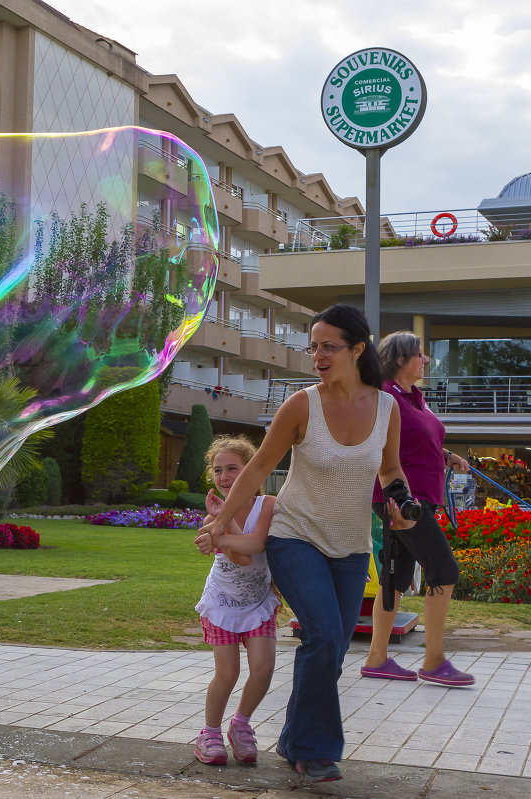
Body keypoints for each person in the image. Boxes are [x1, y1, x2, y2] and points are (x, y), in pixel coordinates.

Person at [196, 304, 416, 784]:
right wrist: (222, 524)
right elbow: (256, 470)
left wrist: (399, 501)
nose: (317, 354)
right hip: (294, 536)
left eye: (328, 346)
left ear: (357, 349)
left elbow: (390, 469)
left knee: (332, 651)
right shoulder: (301, 405)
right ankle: (316, 751)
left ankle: (296, 737)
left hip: (352, 545)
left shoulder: (386, 408)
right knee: (324, 634)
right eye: (312, 345)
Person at [361, 331, 475, 687]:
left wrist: (446, 455)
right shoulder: (383, 396)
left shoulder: (414, 398)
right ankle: (434, 660)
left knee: (394, 577)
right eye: (420, 355)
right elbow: (379, 443)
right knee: (443, 569)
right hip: (401, 500)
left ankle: (377, 659)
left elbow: (412, 439)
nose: (425, 360)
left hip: (416, 497)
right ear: (400, 359)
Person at [192, 435, 280, 767]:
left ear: (251, 470)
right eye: (218, 470)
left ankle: (240, 725)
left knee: (264, 668)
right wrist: (219, 522)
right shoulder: (212, 517)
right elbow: (239, 558)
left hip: (258, 602)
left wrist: (219, 531)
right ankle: (210, 733)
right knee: (227, 673)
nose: (225, 476)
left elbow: (256, 544)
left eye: (233, 468)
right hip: (222, 604)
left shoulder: (267, 504)